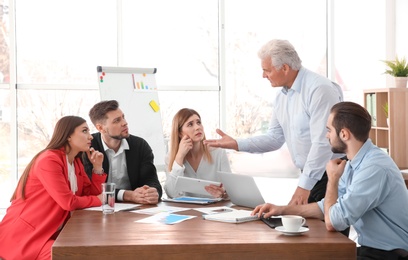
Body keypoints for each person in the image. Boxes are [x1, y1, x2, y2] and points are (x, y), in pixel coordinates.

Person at [253, 101, 408, 259]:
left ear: (344, 134)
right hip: (373, 250)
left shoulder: (373, 168)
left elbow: (333, 222)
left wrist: (333, 179)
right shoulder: (353, 163)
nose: (327, 135)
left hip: (392, 254)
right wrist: (281, 210)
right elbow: (325, 208)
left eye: (329, 130)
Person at [204, 39, 344, 205]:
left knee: (326, 229)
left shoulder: (319, 89)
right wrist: (236, 144)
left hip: (332, 174)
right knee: (305, 228)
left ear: (284, 68)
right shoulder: (282, 97)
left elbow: (323, 143)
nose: (263, 75)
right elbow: (275, 138)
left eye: (267, 70)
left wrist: (304, 187)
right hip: (311, 174)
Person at [0, 116, 107, 260]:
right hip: (27, 236)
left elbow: (89, 195)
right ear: (68, 135)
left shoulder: (75, 163)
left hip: (52, 233)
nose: (90, 136)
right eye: (84, 131)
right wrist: (99, 200)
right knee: (71, 256)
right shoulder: (49, 159)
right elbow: (68, 202)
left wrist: (97, 168)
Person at [83, 100, 162, 205]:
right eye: (117, 120)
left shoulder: (140, 145)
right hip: (99, 208)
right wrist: (127, 195)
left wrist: (152, 192)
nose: (124, 123)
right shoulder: (89, 147)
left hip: (134, 208)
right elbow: (90, 189)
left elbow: (151, 179)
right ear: (101, 128)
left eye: (123, 117)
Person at [164, 108, 231, 199]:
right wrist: (179, 157)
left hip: (215, 209)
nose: (197, 127)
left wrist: (224, 192)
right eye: (190, 124)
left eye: (198, 122)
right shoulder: (171, 157)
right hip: (186, 210)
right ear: (180, 133)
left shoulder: (218, 153)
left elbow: (231, 190)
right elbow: (171, 193)